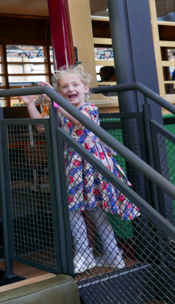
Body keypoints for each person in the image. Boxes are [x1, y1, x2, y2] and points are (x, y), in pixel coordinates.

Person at [21, 66, 139, 274]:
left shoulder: (89, 109)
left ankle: (100, 255)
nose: (70, 89)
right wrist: (31, 104)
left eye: (75, 85)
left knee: (90, 211)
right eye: (64, 86)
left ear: (86, 88)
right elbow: (42, 127)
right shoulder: (62, 110)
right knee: (78, 209)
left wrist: (55, 98)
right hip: (74, 166)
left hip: (91, 166)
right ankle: (100, 255)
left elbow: (77, 119)